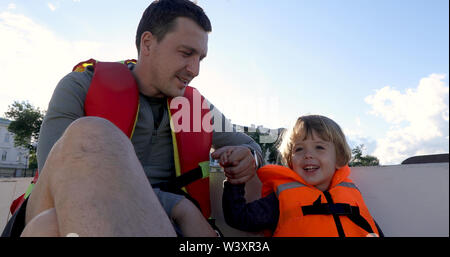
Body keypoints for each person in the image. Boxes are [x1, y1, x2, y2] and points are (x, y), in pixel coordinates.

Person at [2, 0, 262, 237]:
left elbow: (252, 145)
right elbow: (65, 179)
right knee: (89, 133)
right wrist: (180, 206)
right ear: (147, 43)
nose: (195, 70)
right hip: (67, 208)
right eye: (186, 53)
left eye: (200, 58)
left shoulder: (195, 108)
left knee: (50, 228)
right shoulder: (79, 86)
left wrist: (248, 157)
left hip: (150, 225)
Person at [223, 115, 384, 237]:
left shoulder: (351, 194)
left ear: (339, 158)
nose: (308, 155)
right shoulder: (279, 201)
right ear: (290, 161)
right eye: (299, 149)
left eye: (319, 147)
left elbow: (371, 228)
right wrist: (235, 178)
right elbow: (239, 217)